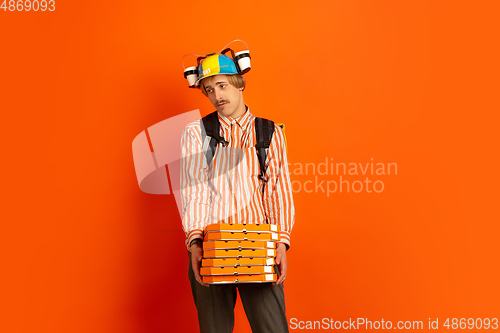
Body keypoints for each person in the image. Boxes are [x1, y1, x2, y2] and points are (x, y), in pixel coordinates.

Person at [180, 52, 295, 333]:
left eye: (222, 86)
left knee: (272, 328)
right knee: (214, 329)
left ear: (238, 83)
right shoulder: (196, 132)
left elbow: (278, 189)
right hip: (212, 245)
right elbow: (193, 191)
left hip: (259, 243)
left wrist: (281, 241)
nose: (217, 95)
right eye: (209, 89)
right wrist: (195, 242)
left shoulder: (269, 132)